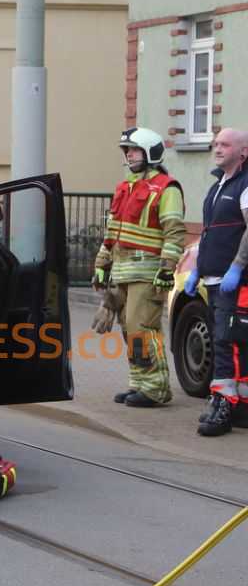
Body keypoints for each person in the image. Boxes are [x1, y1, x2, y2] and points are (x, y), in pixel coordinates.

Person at [94, 128, 183, 411]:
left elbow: (174, 232)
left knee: (141, 327)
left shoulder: (167, 188)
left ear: (150, 153)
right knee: (128, 328)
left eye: (133, 150)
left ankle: (155, 388)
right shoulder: (124, 187)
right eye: (127, 151)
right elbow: (112, 232)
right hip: (122, 271)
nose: (129, 155)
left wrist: (168, 268)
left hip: (148, 272)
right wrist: (101, 265)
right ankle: (139, 382)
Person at [190, 128, 248, 435]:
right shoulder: (217, 186)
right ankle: (234, 406)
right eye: (215, 143)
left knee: (228, 343)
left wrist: (237, 267)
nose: (217, 148)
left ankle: (224, 408)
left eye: (225, 144)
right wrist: (196, 270)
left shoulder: (245, 183)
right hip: (213, 279)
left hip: (234, 282)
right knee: (222, 341)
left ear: (243, 152)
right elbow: (210, 231)